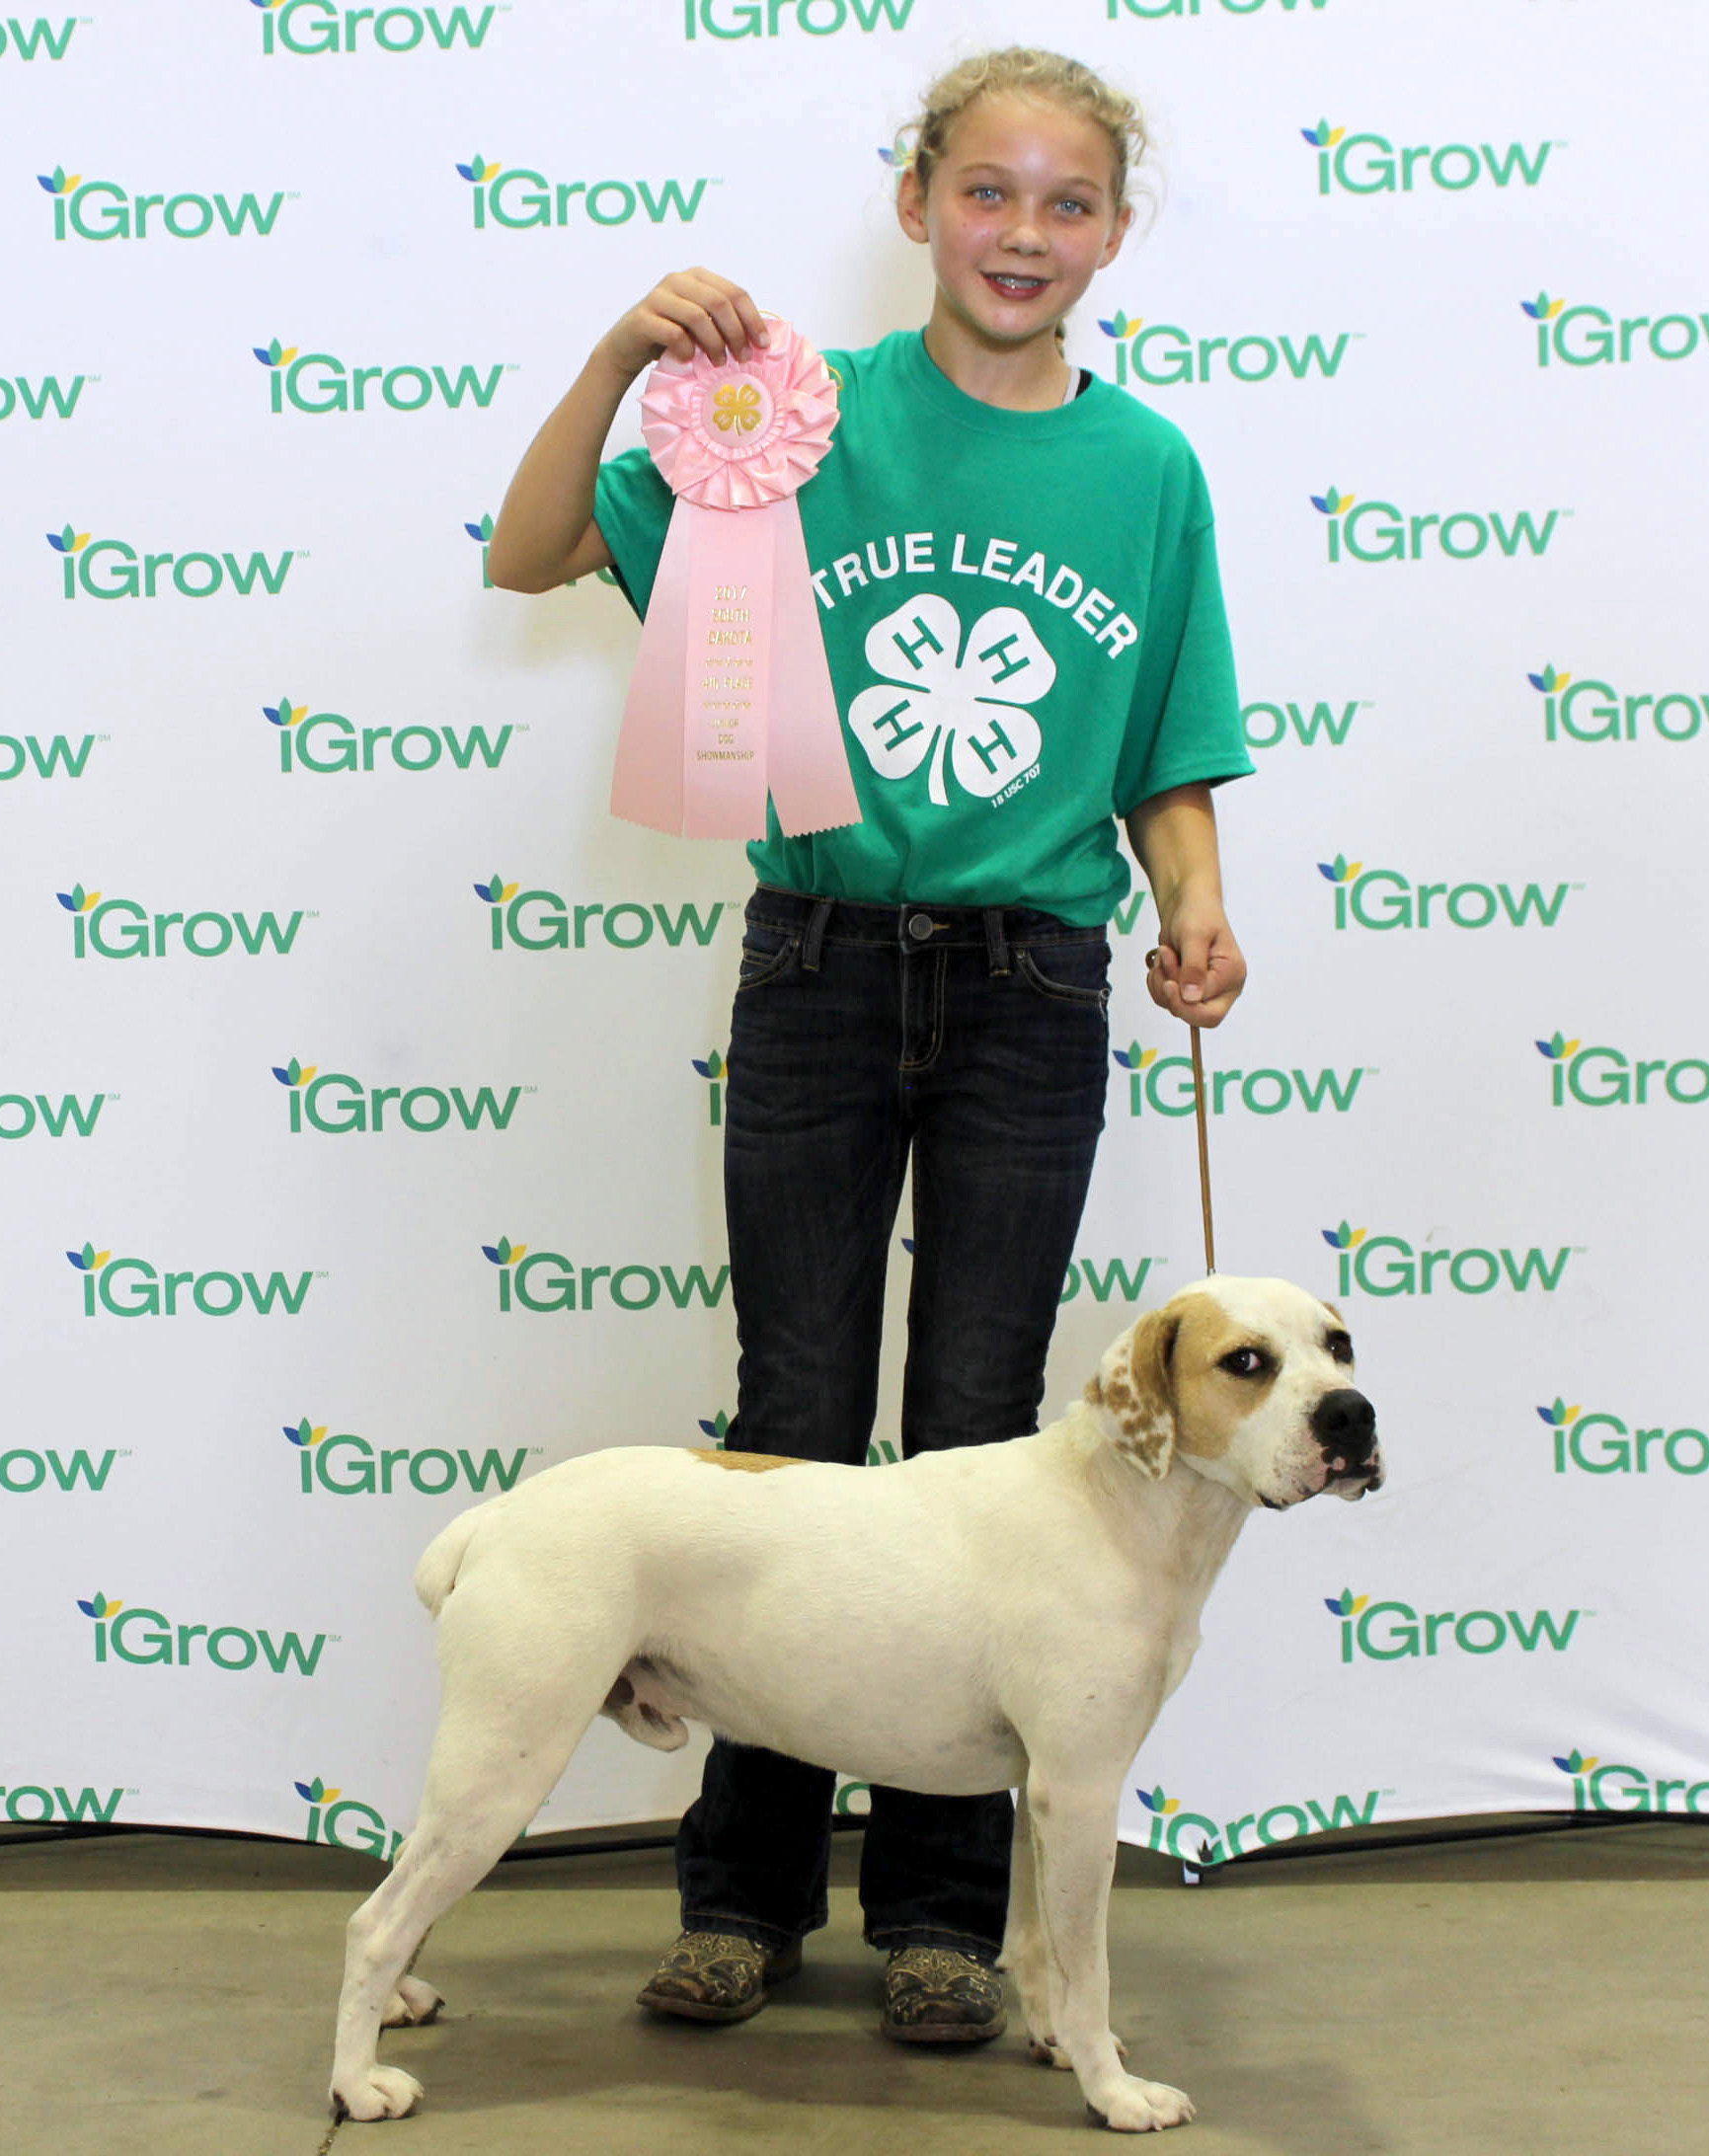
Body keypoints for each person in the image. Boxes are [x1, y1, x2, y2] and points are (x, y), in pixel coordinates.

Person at [486, 45, 1252, 2046]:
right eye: (987, 193)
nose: (1024, 234)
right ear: (915, 202)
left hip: (1032, 990)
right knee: (794, 1426)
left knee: (993, 1434)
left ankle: (936, 1913)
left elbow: (1171, 750)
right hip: (817, 962)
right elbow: (531, 550)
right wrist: (611, 355)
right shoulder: (785, 423)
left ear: (1115, 233)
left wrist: (1195, 903)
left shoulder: (1148, 471)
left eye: (1067, 203)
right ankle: (741, 1895)